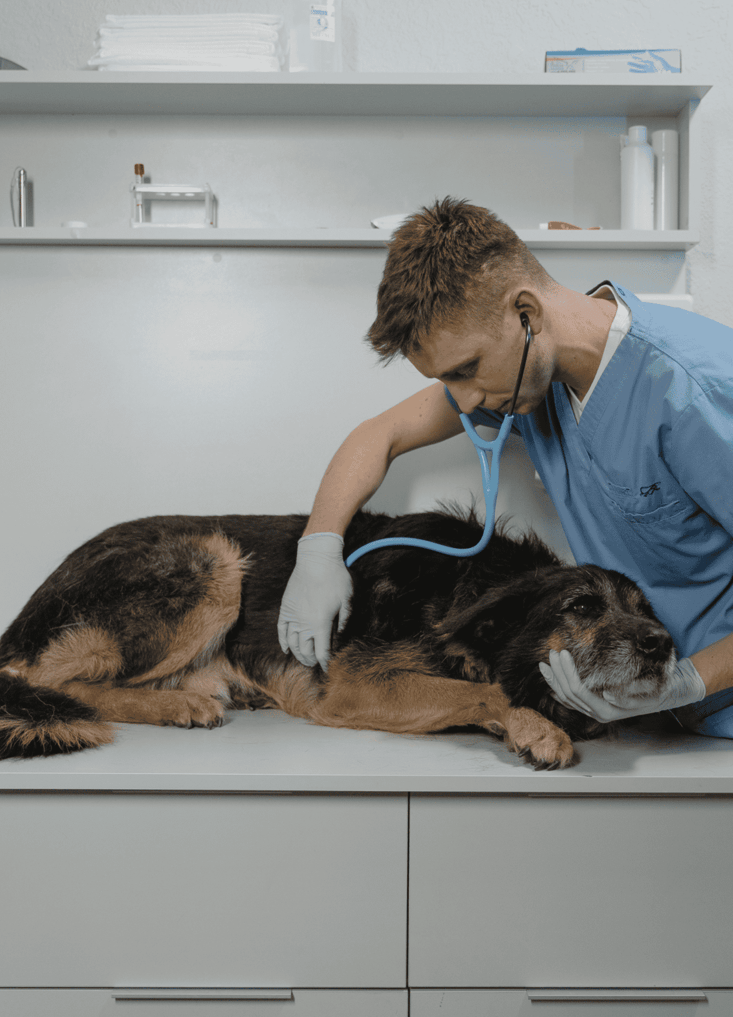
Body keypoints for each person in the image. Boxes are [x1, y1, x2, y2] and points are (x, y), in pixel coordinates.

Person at [277, 197, 733, 738]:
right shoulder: (534, 376)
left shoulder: (693, 390)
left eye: (466, 370)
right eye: (449, 380)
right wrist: (319, 549)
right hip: (643, 707)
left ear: (527, 313)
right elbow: (379, 435)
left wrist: (685, 682)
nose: (466, 402)